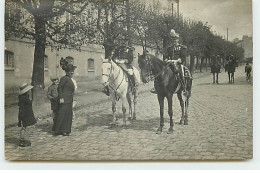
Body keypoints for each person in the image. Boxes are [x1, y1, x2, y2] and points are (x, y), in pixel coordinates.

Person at [54, 62, 77, 136]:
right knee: (62, 115)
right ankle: (59, 130)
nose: (72, 73)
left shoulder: (70, 79)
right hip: (64, 100)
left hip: (69, 99)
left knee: (68, 115)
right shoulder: (64, 78)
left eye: (73, 72)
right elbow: (59, 88)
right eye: (71, 72)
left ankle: (66, 130)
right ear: (67, 72)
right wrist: (61, 97)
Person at [18, 83, 37, 147]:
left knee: (25, 127)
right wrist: (22, 116)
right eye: (28, 90)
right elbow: (22, 108)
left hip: (26, 114)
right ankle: (22, 140)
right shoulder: (23, 98)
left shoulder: (25, 97)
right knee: (23, 127)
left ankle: (24, 139)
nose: (29, 91)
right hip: (24, 114)